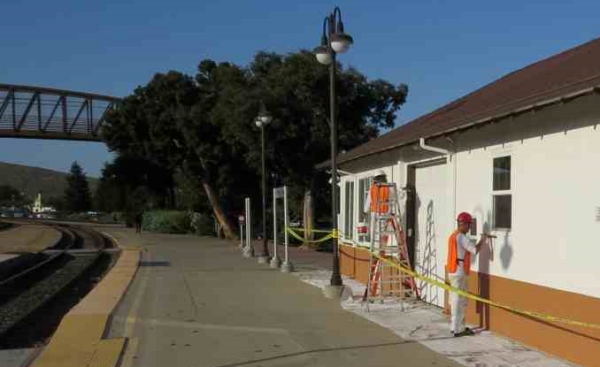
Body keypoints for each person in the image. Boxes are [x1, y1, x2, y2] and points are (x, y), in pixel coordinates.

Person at [446, 212, 489, 337]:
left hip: (453, 270)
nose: (469, 228)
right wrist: (483, 240)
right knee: (460, 300)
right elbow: (474, 250)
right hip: (459, 272)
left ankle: (454, 327)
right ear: (463, 224)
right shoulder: (462, 237)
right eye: (468, 225)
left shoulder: (453, 236)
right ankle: (459, 329)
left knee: (455, 299)